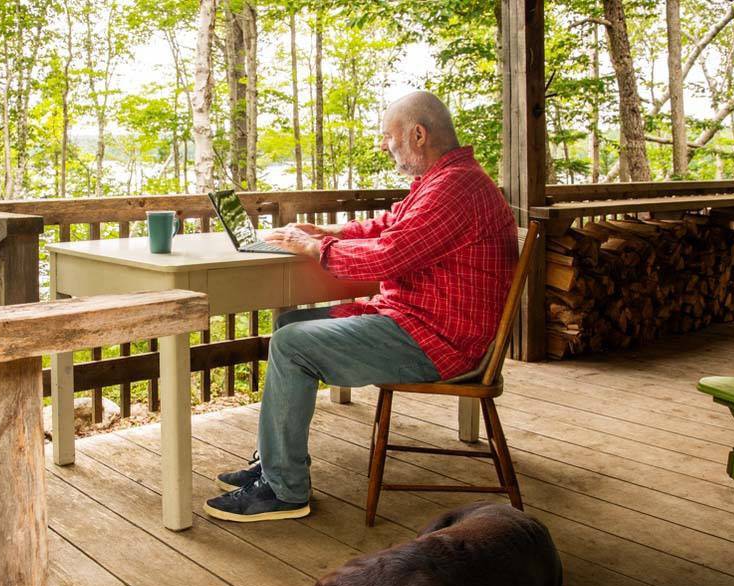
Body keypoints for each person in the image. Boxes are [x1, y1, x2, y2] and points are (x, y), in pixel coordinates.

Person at [203, 90, 518, 523]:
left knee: (293, 343)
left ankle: (284, 490)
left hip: (439, 341)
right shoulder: (445, 181)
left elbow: (390, 253)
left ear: (418, 134)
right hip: (422, 324)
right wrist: (329, 229)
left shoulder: (455, 189)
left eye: (389, 137)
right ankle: (273, 464)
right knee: (291, 323)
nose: (385, 146)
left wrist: (316, 247)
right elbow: (390, 225)